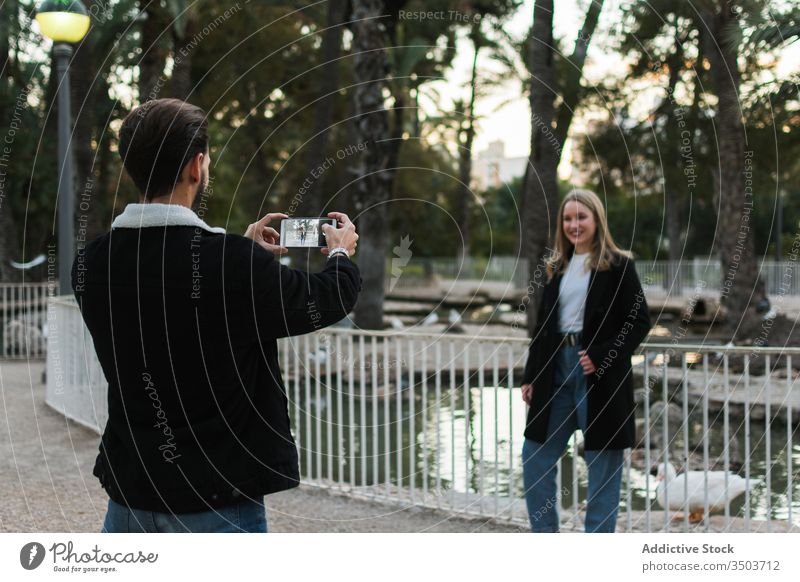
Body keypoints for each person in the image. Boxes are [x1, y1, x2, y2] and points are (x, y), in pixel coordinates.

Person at [72, 98, 361, 533]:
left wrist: (243, 250)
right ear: (197, 166)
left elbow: (171, 297)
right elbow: (326, 297)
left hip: (132, 490)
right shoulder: (232, 266)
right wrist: (339, 250)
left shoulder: (91, 264)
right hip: (217, 498)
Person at [520, 188, 651, 533]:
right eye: (567, 218)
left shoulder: (619, 265)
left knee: (602, 467)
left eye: (581, 217)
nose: (574, 224)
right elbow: (543, 327)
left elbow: (638, 321)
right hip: (554, 372)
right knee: (535, 456)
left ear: (596, 220)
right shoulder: (556, 267)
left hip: (599, 375)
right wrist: (530, 375)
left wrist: (603, 355)